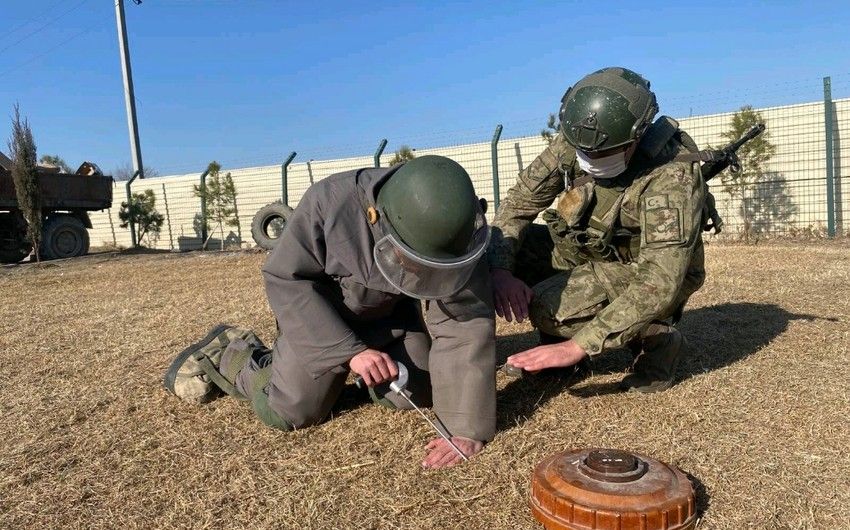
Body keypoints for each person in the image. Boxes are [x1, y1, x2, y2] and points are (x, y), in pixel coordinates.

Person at [163, 155, 495, 469]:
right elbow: (285, 279)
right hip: (322, 321)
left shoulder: (458, 226)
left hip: (390, 321)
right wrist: (349, 353)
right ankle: (232, 351)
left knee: (417, 391)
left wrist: (465, 429)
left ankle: (352, 377)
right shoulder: (329, 202)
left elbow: (464, 319)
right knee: (293, 411)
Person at [489, 67, 710, 392]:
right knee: (497, 247)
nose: (589, 158)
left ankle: (657, 339)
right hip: (589, 246)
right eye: (584, 151)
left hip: (640, 270)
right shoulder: (577, 138)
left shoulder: (670, 176)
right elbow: (520, 202)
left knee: (549, 306)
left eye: (602, 152)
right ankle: (565, 360)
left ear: (637, 135)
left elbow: (659, 281)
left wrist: (576, 345)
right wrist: (499, 270)